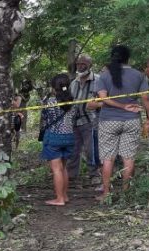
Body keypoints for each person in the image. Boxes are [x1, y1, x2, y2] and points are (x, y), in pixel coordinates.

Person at [95, 45, 149, 200]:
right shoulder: (138, 75)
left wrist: (120, 106)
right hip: (131, 120)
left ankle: (106, 193)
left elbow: (103, 99)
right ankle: (126, 194)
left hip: (108, 120)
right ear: (129, 58)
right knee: (129, 157)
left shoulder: (104, 76)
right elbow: (146, 98)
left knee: (108, 158)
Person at [40, 74, 78, 206]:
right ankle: (64, 195)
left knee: (56, 169)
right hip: (69, 137)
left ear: (53, 87)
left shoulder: (49, 102)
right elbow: (75, 118)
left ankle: (59, 198)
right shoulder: (73, 102)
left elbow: (44, 118)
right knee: (63, 168)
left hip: (53, 138)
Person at [66, 54, 101, 184]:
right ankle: (71, 175)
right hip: (74, 121)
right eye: (78, 64)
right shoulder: (73, 82)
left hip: (91, 121)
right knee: (73, 149)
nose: (80, 66)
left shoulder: (98, 80)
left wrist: (96, 105)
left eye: (83, 64)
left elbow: (106, 100)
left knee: (91, 149)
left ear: (90, 65)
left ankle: (95, 175)